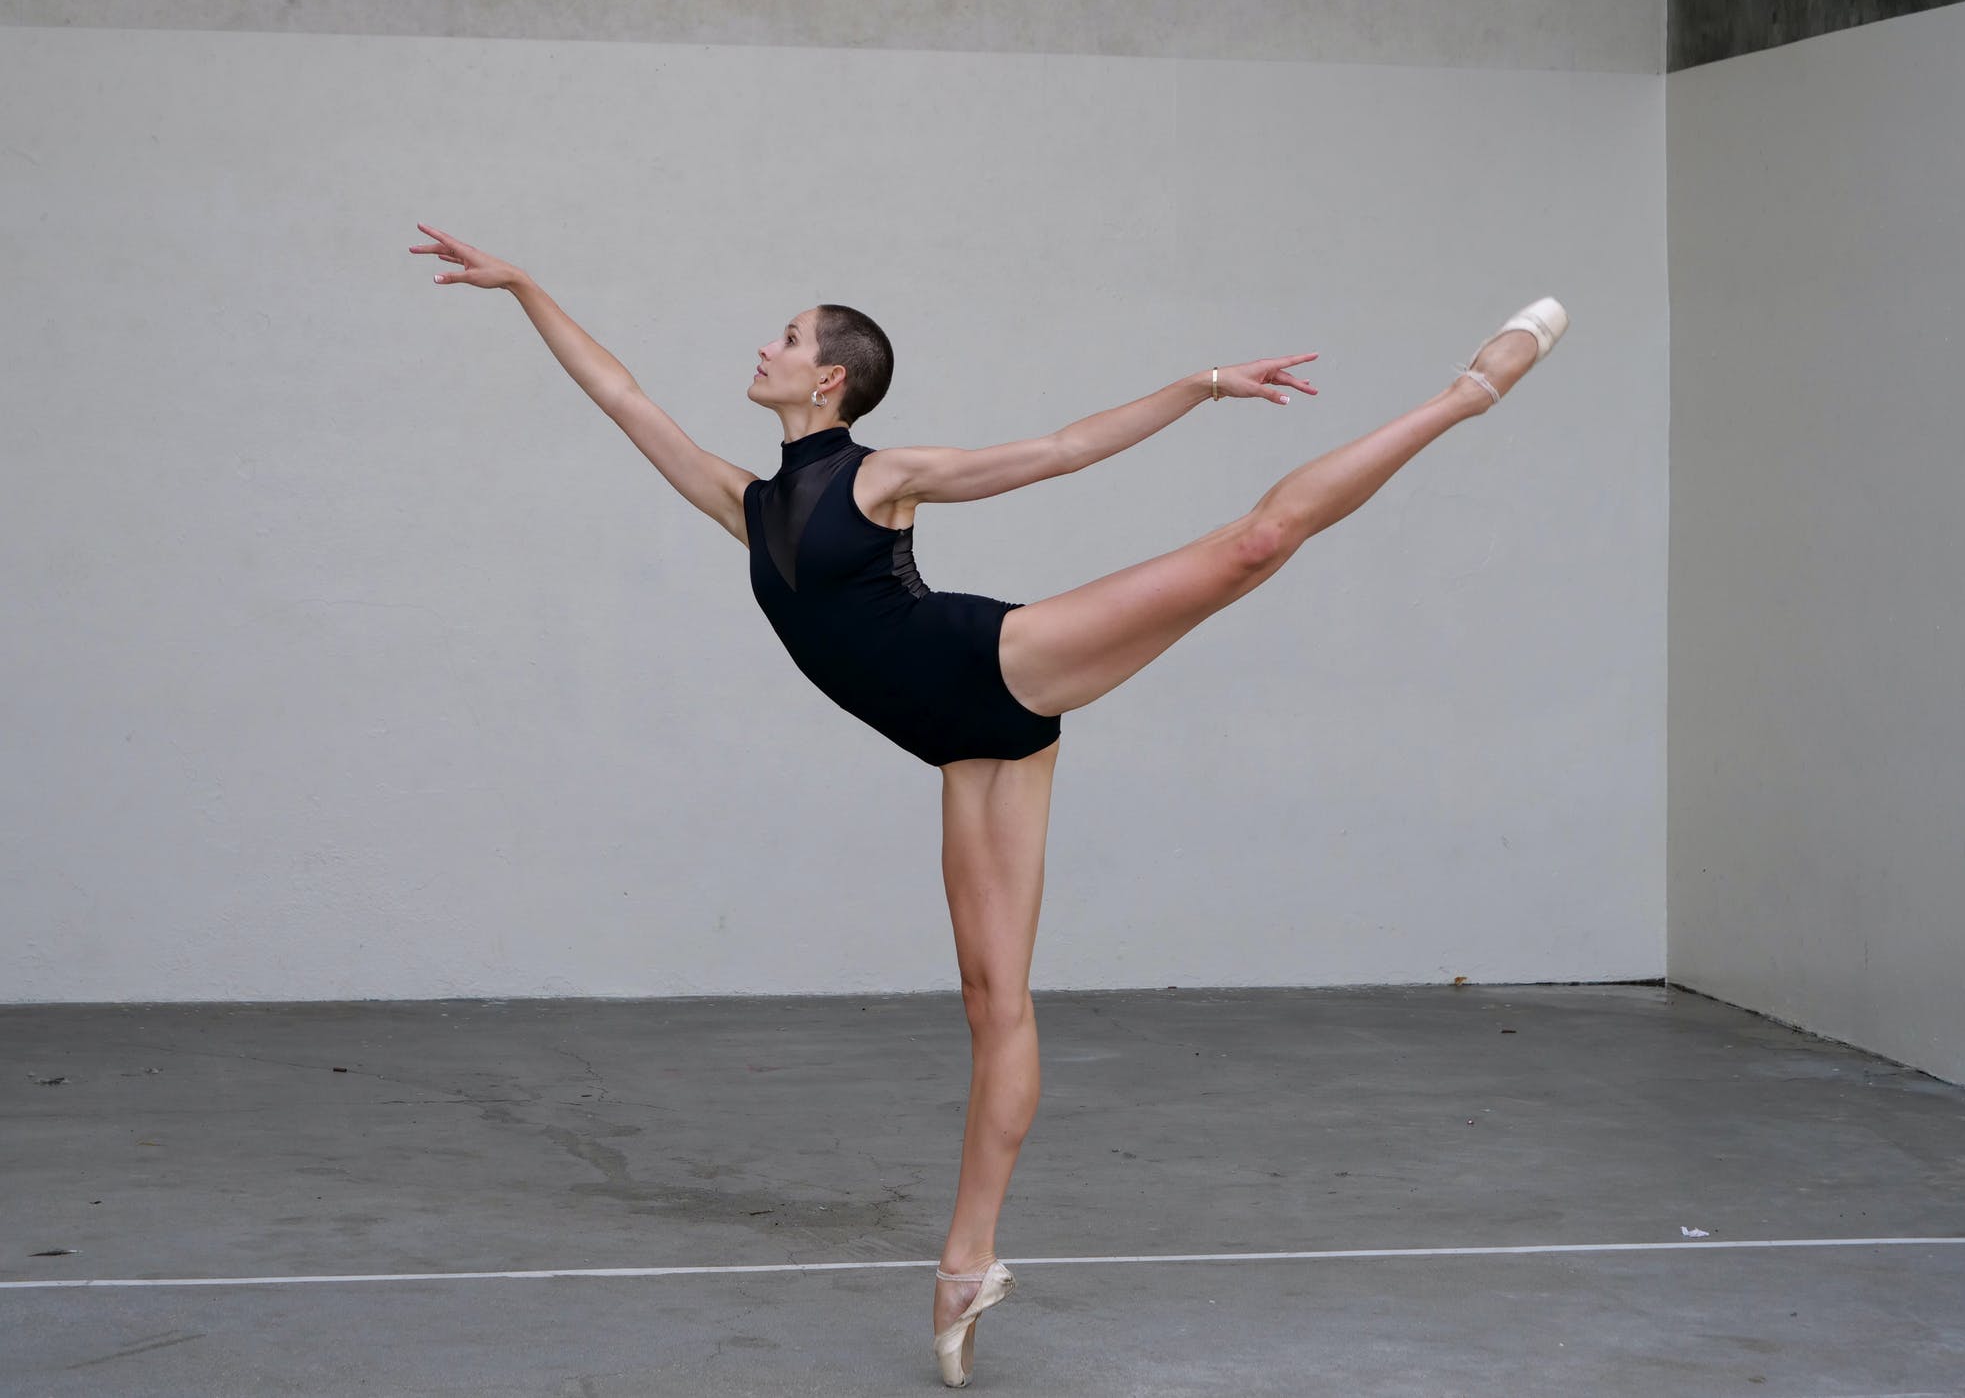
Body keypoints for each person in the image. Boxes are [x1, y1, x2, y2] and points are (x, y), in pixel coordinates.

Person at [409, 223, 1565, 1386]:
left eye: (788, 336)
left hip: (994, 664)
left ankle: (1465, 393)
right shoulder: (741, 501)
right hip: (964, 748)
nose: (764, 346)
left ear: (830, 379)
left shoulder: (879, 476)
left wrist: (1203, 384)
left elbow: (1058, 451)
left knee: (1251, 546)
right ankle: (966, 1266)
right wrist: (525, 287)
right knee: (991, 1004)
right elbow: (620, 395)